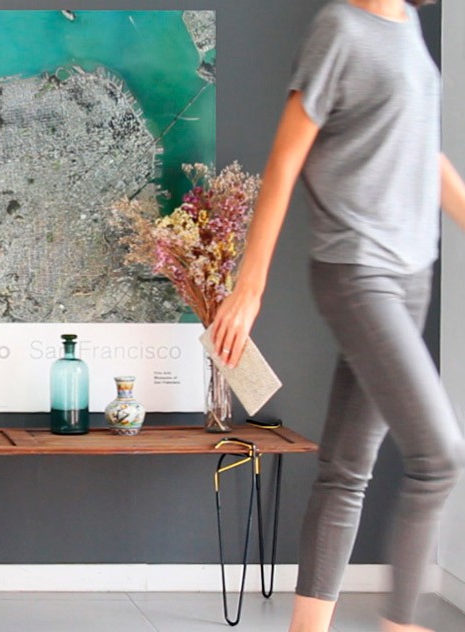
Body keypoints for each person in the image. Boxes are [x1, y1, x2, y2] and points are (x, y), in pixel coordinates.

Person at [209, 1, 465, 631]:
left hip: (412, 275)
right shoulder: (341, 29)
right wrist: (249, 288)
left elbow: (422, 153)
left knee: (347, 470)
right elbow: (285, 161)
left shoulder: (405, 25)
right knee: (439, 457)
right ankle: (400, 625)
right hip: (358, 272)